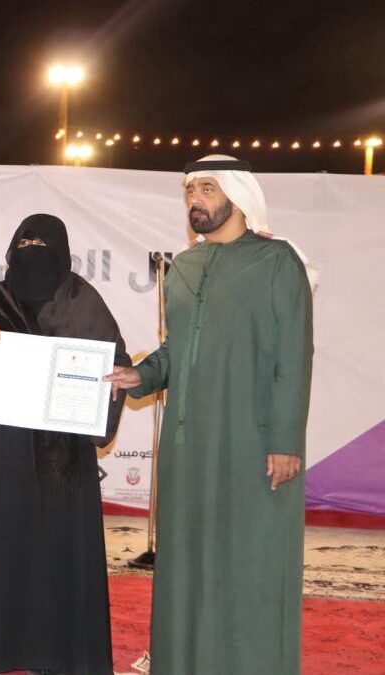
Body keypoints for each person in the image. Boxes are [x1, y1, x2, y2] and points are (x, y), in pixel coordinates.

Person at [105, 155, 313, 675]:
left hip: (253, 444)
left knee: (251, 561)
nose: (195, 199)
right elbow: (179, 349)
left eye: (207, 189)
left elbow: (295, 355)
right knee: (188, 560)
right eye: (190, 190)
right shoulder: (183, 267)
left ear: (237, 195)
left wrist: (286, 440)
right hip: (189, 445)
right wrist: (140, 375)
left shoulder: (277, 261)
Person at [0, 214, 130, 675]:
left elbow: (115, 363)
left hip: (62, 457)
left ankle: (53, 653)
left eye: (43, 244)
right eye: (25, 244)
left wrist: (110, 380)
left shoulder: (85, 301)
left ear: (62, 251)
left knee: (54, 552)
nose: (33, 252)